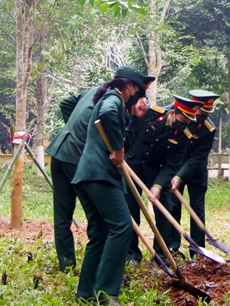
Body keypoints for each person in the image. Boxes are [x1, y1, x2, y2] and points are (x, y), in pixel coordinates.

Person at [47, 74, 154, 272]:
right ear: (129, 88)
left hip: (60, 150)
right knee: (99, 217)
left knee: (62, 215)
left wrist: (74, 130)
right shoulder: (115, 104)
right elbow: (120, 141)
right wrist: (87, 136)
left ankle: (66, 265)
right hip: (79, 158)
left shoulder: (97, 91)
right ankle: (99, 266)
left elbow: (66, 104)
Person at [71, 66, 148, 306]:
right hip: (100, 175)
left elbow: (125, 137)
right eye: (139, 91)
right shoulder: (112, 99)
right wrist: (117, 149)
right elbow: (105, 116)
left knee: (102, 233)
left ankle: (86, 292)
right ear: (129, 86)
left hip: (88, 176)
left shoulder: (115, 102)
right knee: (122, 227)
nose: (139, 97)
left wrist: (135, 121)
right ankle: (105, 291)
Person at [123, 95, 202, 261]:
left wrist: (158, 186)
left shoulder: (184, 136)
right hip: (134, 167)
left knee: (165, 211)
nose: (185, 124)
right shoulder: (151, 113)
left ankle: (161, 253)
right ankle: (131, 253)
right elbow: (129, 125)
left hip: (157, 172)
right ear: (173, 112)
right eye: (183, 119)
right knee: (131, 210)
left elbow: (172, 164)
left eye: (188, 121)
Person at [170, 90, 219, 258]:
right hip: (175, 167)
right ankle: (172, 247)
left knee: (197, 209)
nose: (203, 116)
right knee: (173, 206)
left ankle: (198, 251)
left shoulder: (209, 129)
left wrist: (180, 176)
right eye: (201, 112)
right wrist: (175, 175)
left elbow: (198, 156)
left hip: (196, 171)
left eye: (207, 113)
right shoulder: (179, 117)